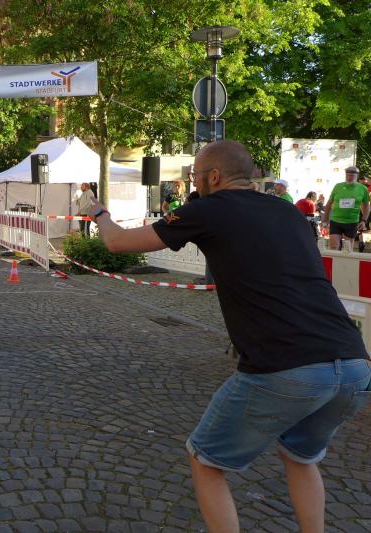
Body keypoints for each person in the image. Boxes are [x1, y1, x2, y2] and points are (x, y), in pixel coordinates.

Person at [85, 140, 370, 532]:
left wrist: (99, 213)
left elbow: (117, 242)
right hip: (354, 363)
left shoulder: (208, 209)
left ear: (214, 176)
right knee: (301, 458)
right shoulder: (287, 211)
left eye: (195, 176)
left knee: (205, 459)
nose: (193, 183)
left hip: (286, 365)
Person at [323, 165, 370, 251]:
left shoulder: (363, 189)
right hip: (336, 221)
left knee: (348, 250)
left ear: (357, 175)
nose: (349, 177)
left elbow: (366, 206)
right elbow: (329, 204)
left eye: (352, 174)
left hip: (351, 222)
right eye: (347, 174)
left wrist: (364, 221)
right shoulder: (338, 186)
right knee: (333, 247)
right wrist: (325, 220)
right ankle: (335, 260)